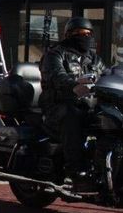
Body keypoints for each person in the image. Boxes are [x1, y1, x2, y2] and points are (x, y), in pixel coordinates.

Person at [38, 16, 106, 191]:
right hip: (56, 105)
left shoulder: (95, 60)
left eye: (87, 33)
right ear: (68, 35)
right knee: (73, 115)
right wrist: (75, 85)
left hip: (87, 105)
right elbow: (56, 76)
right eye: (79, 33)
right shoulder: (55, 54)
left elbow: (108, 77)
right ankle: (75, 171)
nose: (84, 36)